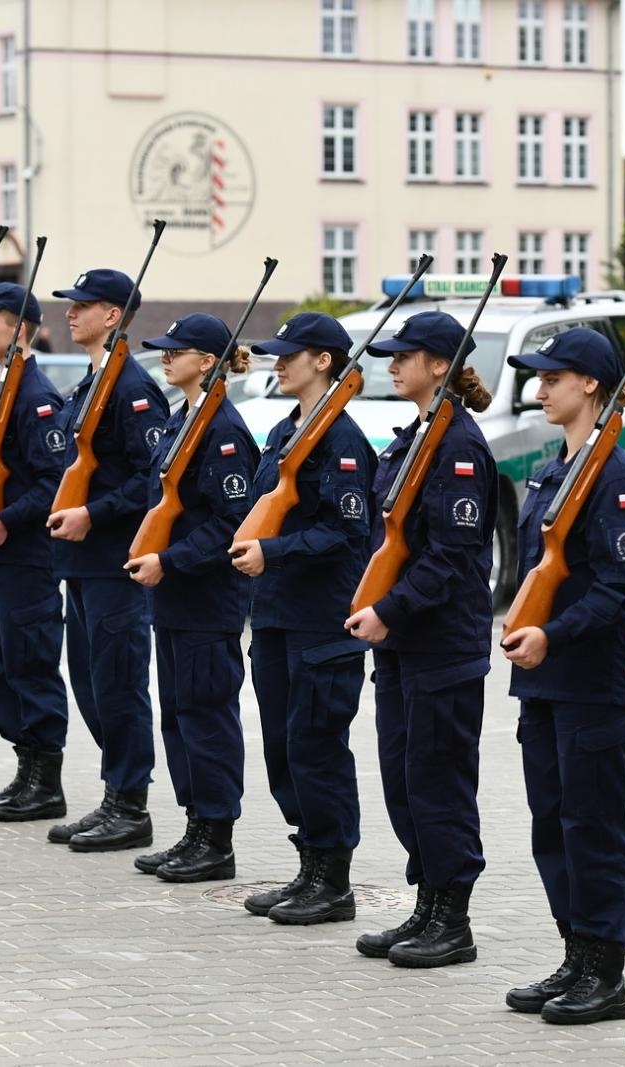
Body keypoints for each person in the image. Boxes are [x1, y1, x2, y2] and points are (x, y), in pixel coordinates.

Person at [498, 329, 625, 1023]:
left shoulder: (615, 479)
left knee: (593, 827)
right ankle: (575, 952)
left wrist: (551, 634)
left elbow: (619, 591)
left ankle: (606, 971)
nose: (540, 388)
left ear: (590, 383)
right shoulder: (555, 468)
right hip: (545, 684)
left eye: (552, 376)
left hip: (591, 682)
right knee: (552, 827)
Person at [343, 310, 497, 969]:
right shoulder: (416, 436)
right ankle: (428, 902)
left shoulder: (458, 446)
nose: (393, 365)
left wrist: (391, 608)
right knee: (406, 780)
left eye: (405, 356)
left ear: (439, 363)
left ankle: (452, 919)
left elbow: (454, 558)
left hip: (441, 643)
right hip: (405, 642)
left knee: (438, 781)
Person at [229, 313, 376, 925]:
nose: (278, 362)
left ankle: (333, 879)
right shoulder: (285, 431)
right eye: (275, 354)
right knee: (283, 749)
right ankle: (309, 863)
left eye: (291, 354)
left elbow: (349, 532)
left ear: (324, 361)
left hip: (321, 620)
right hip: (275, 615)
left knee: (317, 746)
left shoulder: (342, 441)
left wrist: (276, 552)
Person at [125, 314, 260, 882]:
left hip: (206, 600)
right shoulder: (185, 419)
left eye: (176, 350)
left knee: (207, 716)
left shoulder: (224, 430)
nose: (164, 356)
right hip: (176, 600)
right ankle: (194, 827)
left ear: (207, 360)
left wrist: (170, 560)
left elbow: (231, 522)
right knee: (179, 717)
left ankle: (217, 837)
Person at [44, 269, 169, 852]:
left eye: (84, 306)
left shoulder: (133, 390)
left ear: (114, 316)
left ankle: (131, 803)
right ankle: (114, 793)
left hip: (115, 562)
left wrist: (94, 514)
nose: (71, 313)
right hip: (82, 564)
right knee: (91, 685)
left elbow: (151, 478)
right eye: (71, 305)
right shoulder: (91, 383)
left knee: (118, 685)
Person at [0, 282, 72, 823]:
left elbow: (54, 482)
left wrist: (8, 519)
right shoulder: (0, 387)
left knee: (31, 663)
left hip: (23, 556)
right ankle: (24, 768)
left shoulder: (35, 397)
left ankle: (45, 780)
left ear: (20, 329)